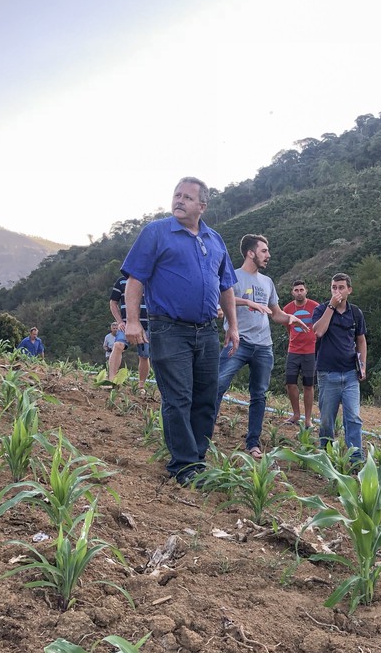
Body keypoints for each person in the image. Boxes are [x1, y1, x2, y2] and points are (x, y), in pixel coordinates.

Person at [120, 177, 239, 486]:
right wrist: (132, 321)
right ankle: (184, 467)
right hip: (169, 329)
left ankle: (198, 459)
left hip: (207, 331)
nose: (179, 200)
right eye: (177, 195)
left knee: (206, 398)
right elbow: (135, 279)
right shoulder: (156, 232)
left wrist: (232, 325)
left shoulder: (215, 240)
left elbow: (226, 286)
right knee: (178, 398)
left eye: (187, 197)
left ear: (202, 206)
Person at [214, 234, 304, 458]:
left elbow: (276, 314)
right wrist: (247, 301)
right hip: (239, 342)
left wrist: (290, 318)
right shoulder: (232, 276)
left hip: (264, 346)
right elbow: (221, 300)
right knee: (217, 385)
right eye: (264, 251)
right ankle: (203, 435)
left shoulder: (267, 282)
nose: (268, 255)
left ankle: (253, 443)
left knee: (259, 395)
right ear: (250, 253)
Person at [311, 273, 367, 461]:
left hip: (350, 373)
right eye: (334, 287)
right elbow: (318, 331)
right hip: (327, 374)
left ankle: (355, 459)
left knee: (353, 418)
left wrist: (362, 365)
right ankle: (325, 455)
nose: (337, 291)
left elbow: (361, 340)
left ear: (349, 290)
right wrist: (331, 306)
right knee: (327, 419)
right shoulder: (321, 310)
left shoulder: (356, 313)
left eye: (341, 287)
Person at [282, 279, 319, 428]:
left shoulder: (315, 306)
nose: (299, 292)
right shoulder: (287, 308)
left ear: (306, 291)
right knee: (290, 383)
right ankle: (296, 414)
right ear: (292, 292)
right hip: (293, 350)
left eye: (301, 290)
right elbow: (288, 327)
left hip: (310, 351)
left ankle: (308, 419)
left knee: (308, 385)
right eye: (296, 290)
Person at [109, 276, 151, 394]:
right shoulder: (122, 281)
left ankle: (141, 386)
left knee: (144, 355)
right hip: (126, 324)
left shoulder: (150, 279)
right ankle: (111, 380)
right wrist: (119, 321)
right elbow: (113, 302)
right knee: (118, 345)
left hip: (147, 325)